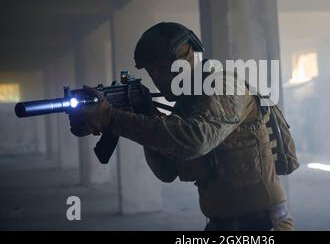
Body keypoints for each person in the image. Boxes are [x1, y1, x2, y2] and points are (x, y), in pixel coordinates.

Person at [68, 22, 296, 230]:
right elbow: (166, 170)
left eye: (162, 67)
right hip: (220, 226)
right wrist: (144, 114)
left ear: (186, 59)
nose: (156, 77)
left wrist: (114, 119)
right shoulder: (189, 104)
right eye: (150, 71)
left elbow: (195, 140)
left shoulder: (224, 86)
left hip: (263, 225)